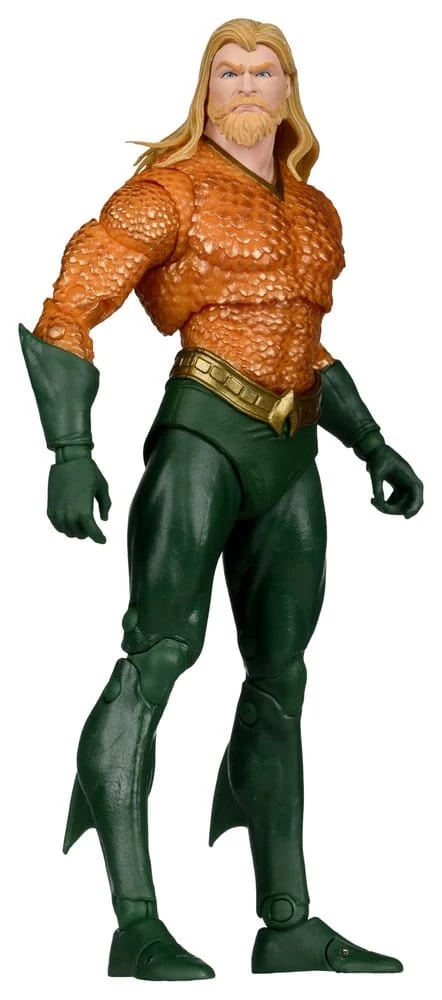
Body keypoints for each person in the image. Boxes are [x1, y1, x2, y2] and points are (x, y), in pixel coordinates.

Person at [20, 17, 423, 981]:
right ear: (205, 90)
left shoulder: (315, 211)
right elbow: (68, 309)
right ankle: (135, 924)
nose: (246, 84)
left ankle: (287, 923)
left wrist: (372, 441)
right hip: (202, 437)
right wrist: (69, 450)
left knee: (282, 677)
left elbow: (305, 345)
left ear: (289, 89)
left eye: (264, 70)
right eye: (228, 71)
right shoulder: (167, 192)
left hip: (293, 451)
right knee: (159, 655)